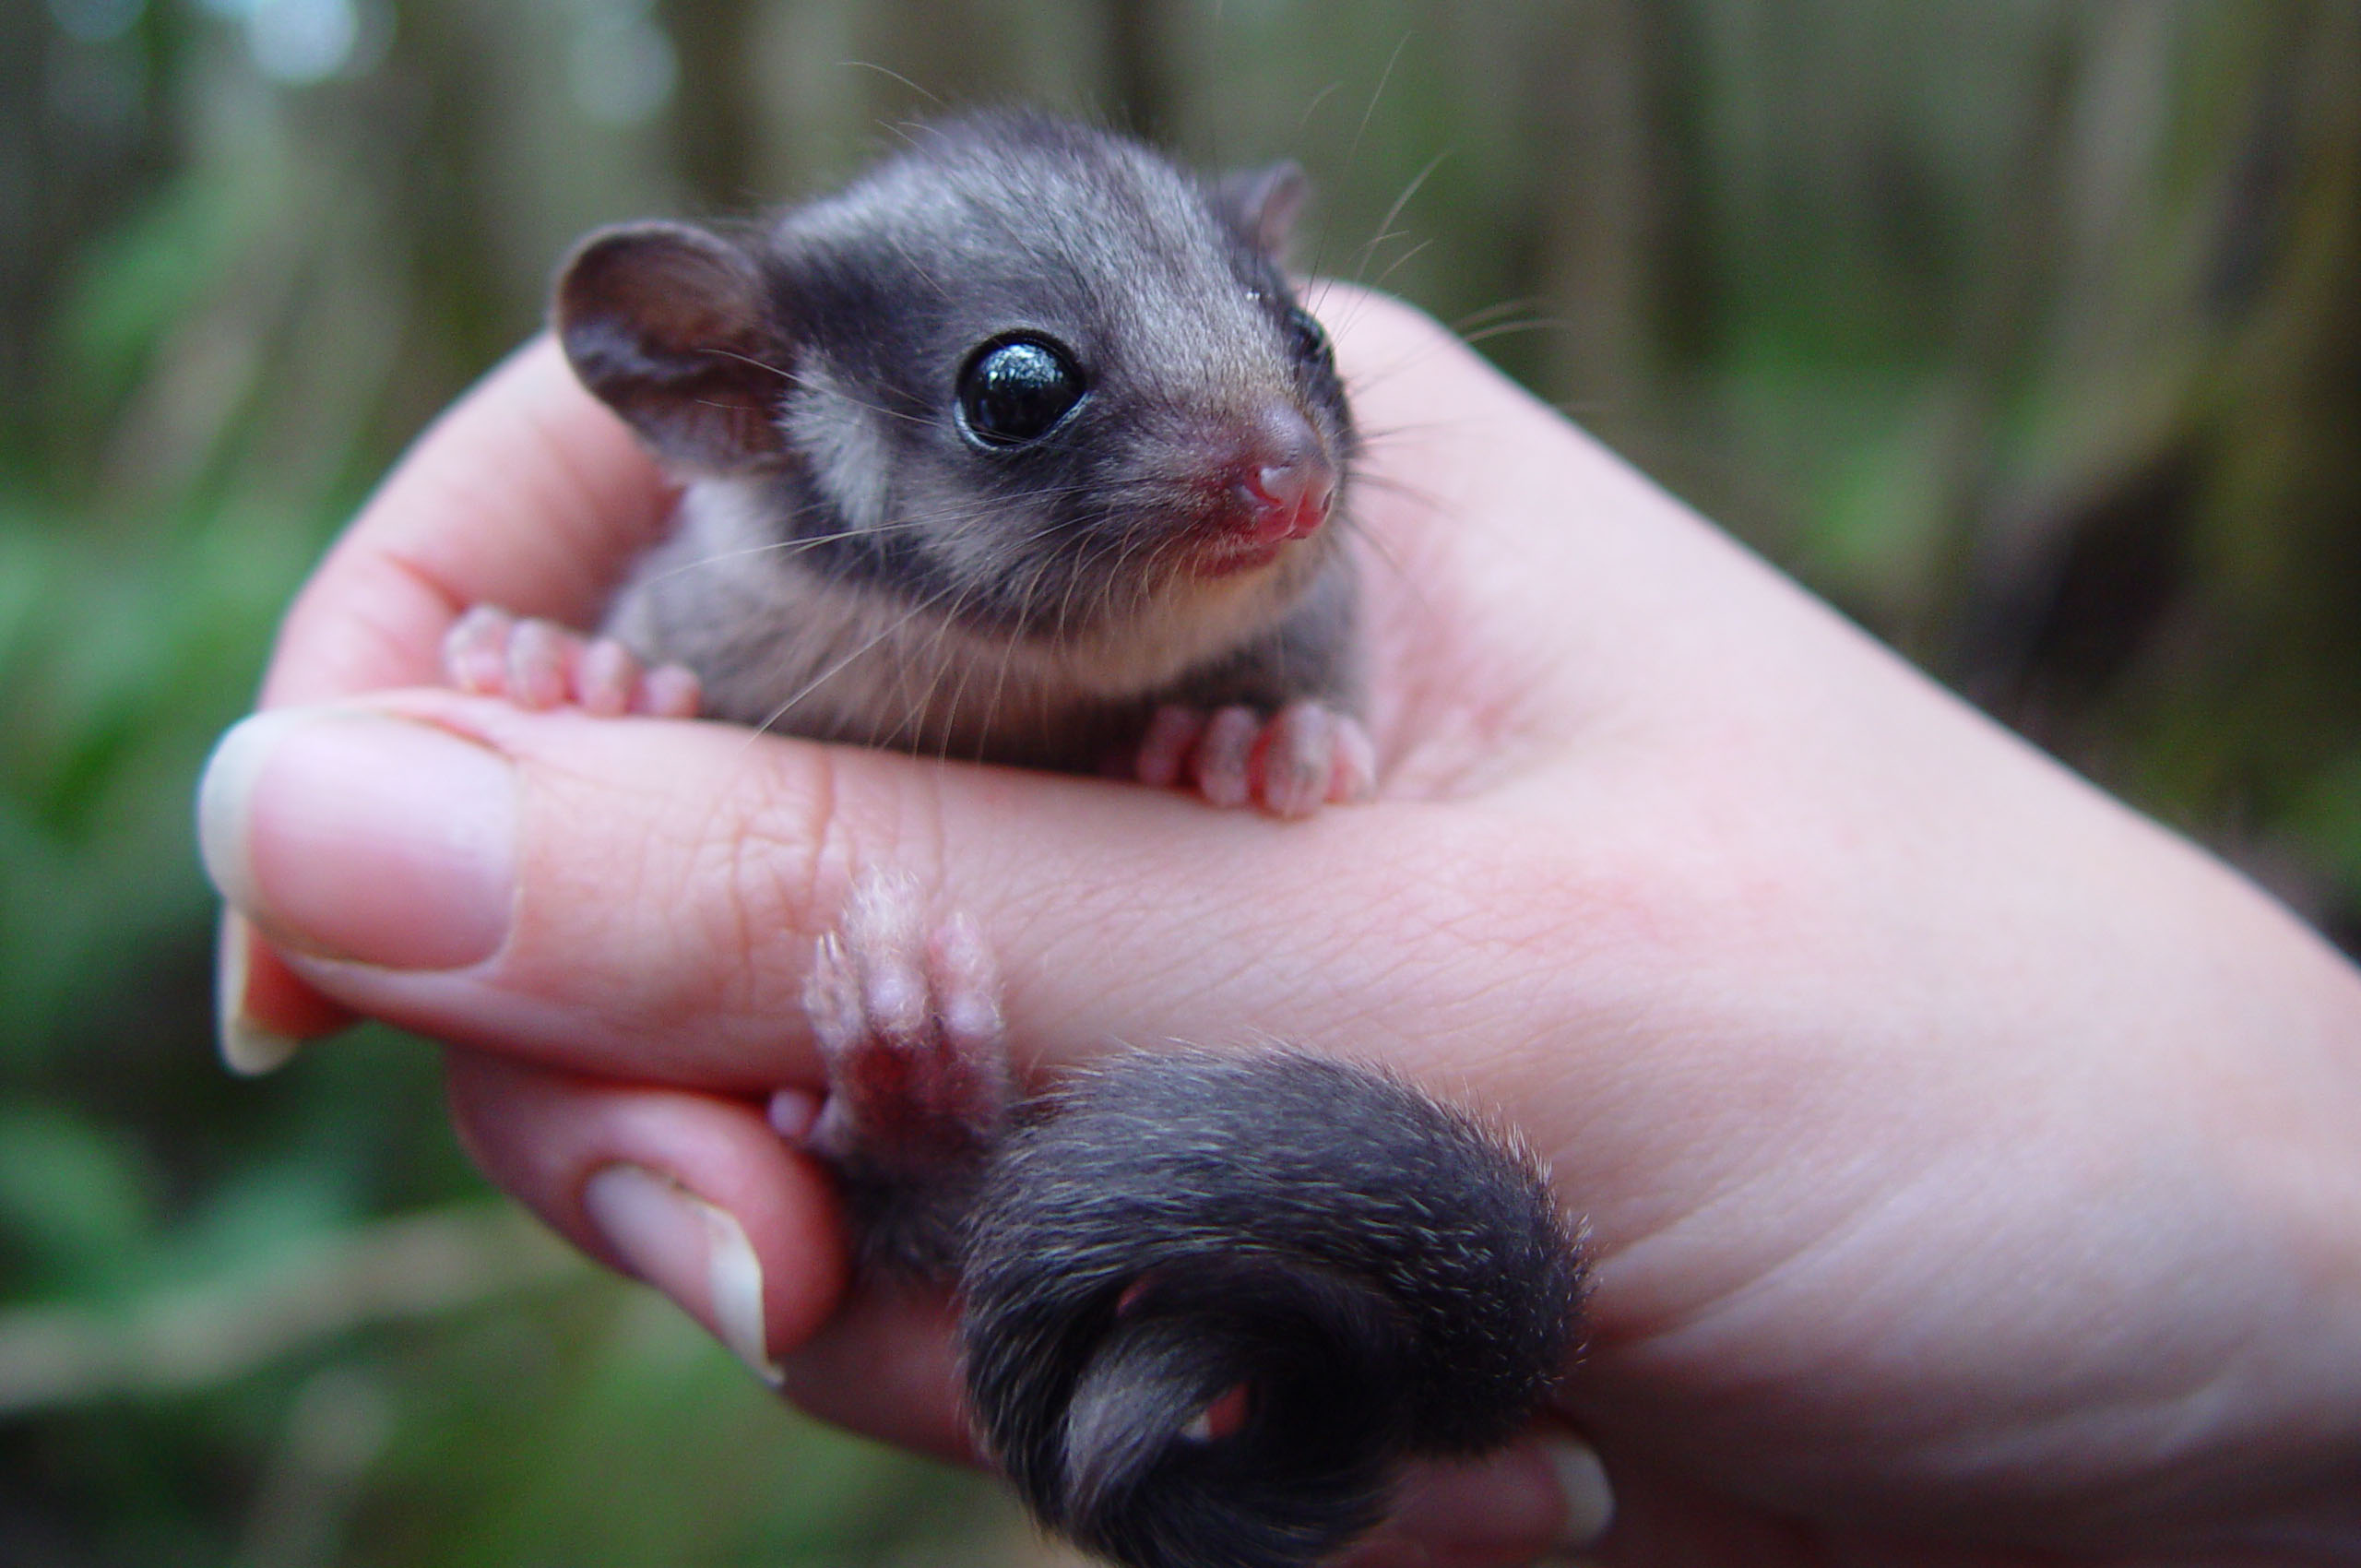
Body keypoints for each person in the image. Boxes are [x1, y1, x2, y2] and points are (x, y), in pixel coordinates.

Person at [195, 285, 2361, 1564]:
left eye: (1288, 348)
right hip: (1031, 1202)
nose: (1283, 473)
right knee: (852, 1145)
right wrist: (570, 682)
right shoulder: (722, 600)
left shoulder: (1286, 652)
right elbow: (653, 651)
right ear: (742, 405)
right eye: (1027, 392)